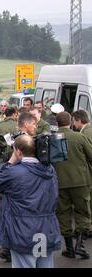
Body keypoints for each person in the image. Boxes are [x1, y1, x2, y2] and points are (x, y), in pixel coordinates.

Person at [0, 134, 61, 268]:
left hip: (22, 230)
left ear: (17, 151)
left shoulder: (14, 172)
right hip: (47, 227)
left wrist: (11, 161)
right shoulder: (50, 170)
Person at [54, 111, 92, 259]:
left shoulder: (52, 140)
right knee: (83, 211)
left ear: (56, 123)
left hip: (60, 182)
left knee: (63, 213)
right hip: (81, 182)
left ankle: (69, 247)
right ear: (70, 122)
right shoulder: (79, 137)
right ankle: (80, 245)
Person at [72, 109, 92, 238]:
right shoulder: (85, 130)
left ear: (79, 120)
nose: (73, 124)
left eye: (74, 121)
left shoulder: (87, 132)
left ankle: (88, 228)